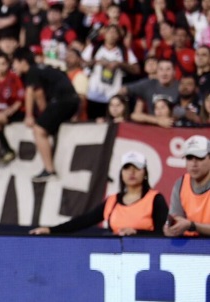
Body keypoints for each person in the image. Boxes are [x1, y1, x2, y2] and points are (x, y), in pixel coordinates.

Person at [29, 151, 168, 236]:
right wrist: (51, 230)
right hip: (117, 256)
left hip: (148, 255)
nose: (131, 172)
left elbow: (163, 233)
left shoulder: (155, 199)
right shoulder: (112, 201)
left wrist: (137, 233)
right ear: (121, 173)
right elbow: (84, 221)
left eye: (136, 168)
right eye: (127, 168)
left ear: (145, 173)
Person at [11, 47, 80, 183]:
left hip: (62, 101)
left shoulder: (32, 71)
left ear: (23, 62)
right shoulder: (42, 69)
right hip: (71, 101)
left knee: (39, 130)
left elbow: (36, 94)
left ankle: (49, 170)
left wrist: (30, 116)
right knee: (50, 128)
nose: (13, 67)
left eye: (14, 63)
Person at [164, 135, 210, 237]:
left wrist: (192, 225)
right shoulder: (181, 184)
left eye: (200, 157)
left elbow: (188, 225)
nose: (194, 163)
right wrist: (170, 226)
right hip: (190, 244)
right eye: (189, 158)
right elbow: (174, 218)